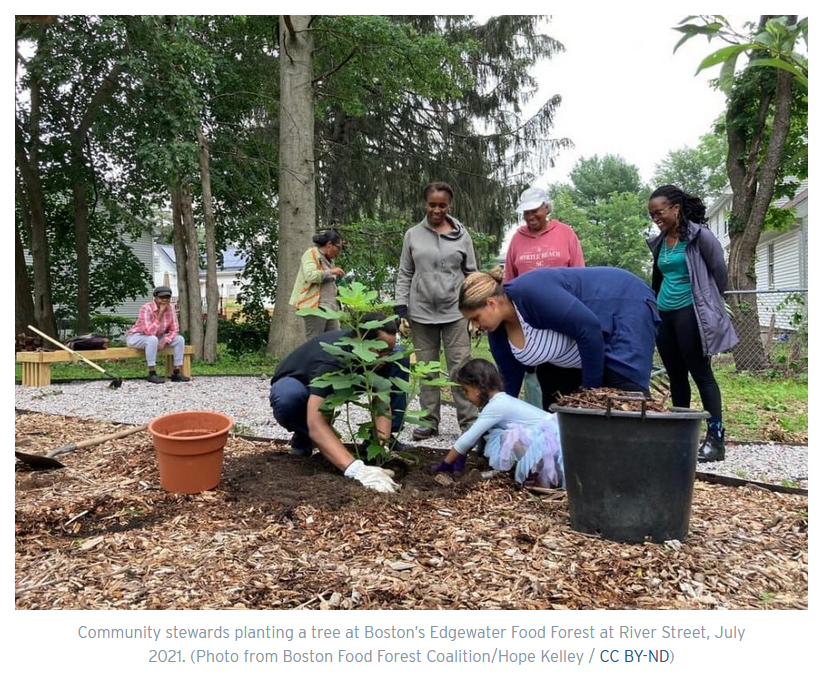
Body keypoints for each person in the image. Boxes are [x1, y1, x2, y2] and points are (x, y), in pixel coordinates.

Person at [459, 267, 660, 407]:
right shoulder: (498, 332)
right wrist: (491, 426)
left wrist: (590, 394)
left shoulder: (532, 292)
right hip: (579, 349)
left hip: (622, 305)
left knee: (625, 398)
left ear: (492, 303)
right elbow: (508, 385)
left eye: (476, 318)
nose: (476, 326)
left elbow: (588, 329)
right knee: (558, 405)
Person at [648, 185, 738, 462]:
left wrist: (706, 305)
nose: (655, 218)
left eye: (659, 212)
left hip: (691, 313)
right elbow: (659, 277)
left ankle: (716, 439)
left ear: (675, 208)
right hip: (665, 315)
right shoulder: (661, 242)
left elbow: (720, 275)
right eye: (651, 214)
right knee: (675, 376)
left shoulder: (700, 237)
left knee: (701, 374)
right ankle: (681, 435)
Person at [268, 312, 407, 493]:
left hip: (349, 377)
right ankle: (304, 437)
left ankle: (377, 446)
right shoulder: (333, 359)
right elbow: (316, 422)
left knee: (401, 357)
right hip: (300, 383)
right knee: (288, 397)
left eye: (388, 351)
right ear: (360, 341)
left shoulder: (381, 357)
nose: (384, 357)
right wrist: (356, 470)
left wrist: (381, 449)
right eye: (380, 351)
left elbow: (382, 404)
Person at [394, 181, 478, 440]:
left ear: (449, 205)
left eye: (442, 205)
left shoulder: (462, 235)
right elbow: (405, 272)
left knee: (460, 368)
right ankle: (429, 421)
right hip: (421, 313)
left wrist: (474, 308)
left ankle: (469, 422)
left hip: (455, 312)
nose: (437, 210)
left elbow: (472, 273)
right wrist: (401, 306)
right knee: (426, 369)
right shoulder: (412, 235)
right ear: (425, 204)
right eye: (433, 205)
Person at [504, 186, 585, 408]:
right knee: (534, 366)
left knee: (562, 365)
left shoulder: (565, 233)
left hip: (563, 311)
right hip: (528, 317)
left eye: (535, 210)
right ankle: (536, 415)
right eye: (526, 212)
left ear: (546, 207)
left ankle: (565, 413)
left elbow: (580, 274)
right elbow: (509, 279)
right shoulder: (517, 238)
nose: (530, 216)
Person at [431, 359, 564, 489]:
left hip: (553, 444)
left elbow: (468, 438)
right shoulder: (500, 401)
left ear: (476, 387)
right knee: (503, 436)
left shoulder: (496, 406)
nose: (466, 396)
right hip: (555, 435)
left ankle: (539, 475)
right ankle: (532, 471)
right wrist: (462, 455)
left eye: (466, 391)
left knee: (511, 436)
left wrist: (446, 462)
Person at [126, 285, 190, 384]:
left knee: (179, 339)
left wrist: (165, 341)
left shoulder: (171, 308)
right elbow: (148, 332)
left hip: (156, 337)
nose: (164, 300)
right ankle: (152, 373)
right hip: (137, 336)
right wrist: (160, 314)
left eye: (167, 297)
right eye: (161, 297)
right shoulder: (146, 308)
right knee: (152, 339)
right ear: (155, 298)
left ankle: (176, 372)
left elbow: (174, 329)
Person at [290, 229, 346, 340]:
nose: (339, 251)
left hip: (331, 307)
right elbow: (310, 276)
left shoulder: (329, 260)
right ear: (329, 244)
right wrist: (332, 272)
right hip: (316, 306)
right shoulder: (311, 253)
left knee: (335, 341)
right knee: (315, 341)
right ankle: (310, 358)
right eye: (338, 247)